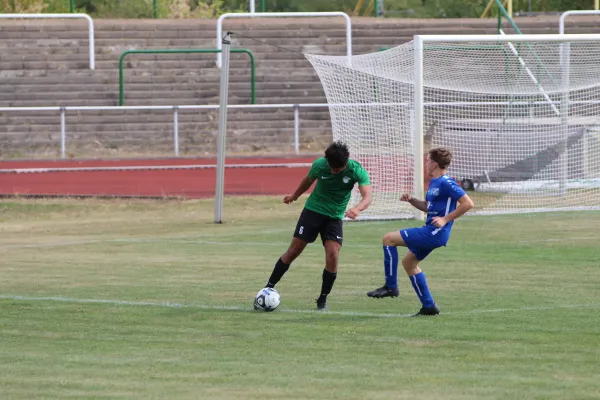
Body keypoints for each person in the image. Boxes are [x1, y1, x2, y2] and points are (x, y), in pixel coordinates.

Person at [257, 141, 372, 311]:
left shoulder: (356, 170)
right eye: (331, 168)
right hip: (313, 211)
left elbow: (368, 195)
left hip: (334, 217)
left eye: (337, 169)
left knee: (333, 255)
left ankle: (322, 299)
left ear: (346, 163)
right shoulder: (320, 165)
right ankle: (268, 287)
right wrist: (295, 196)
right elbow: (307, 180)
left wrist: (357, 208)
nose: (333, 171)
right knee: (294, 251)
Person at [366, 147, 474, 316]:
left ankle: (391, 286)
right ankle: (429, 306)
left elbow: (468, 203)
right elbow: (428, 207)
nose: (426, 164)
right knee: (409, 263)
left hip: (435, 232)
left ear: (434, 164)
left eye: (427, 161)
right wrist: (412, 200)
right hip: (430, 230)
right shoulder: (434, 183)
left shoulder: (447, 182)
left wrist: (445, 219)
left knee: (388, 239)